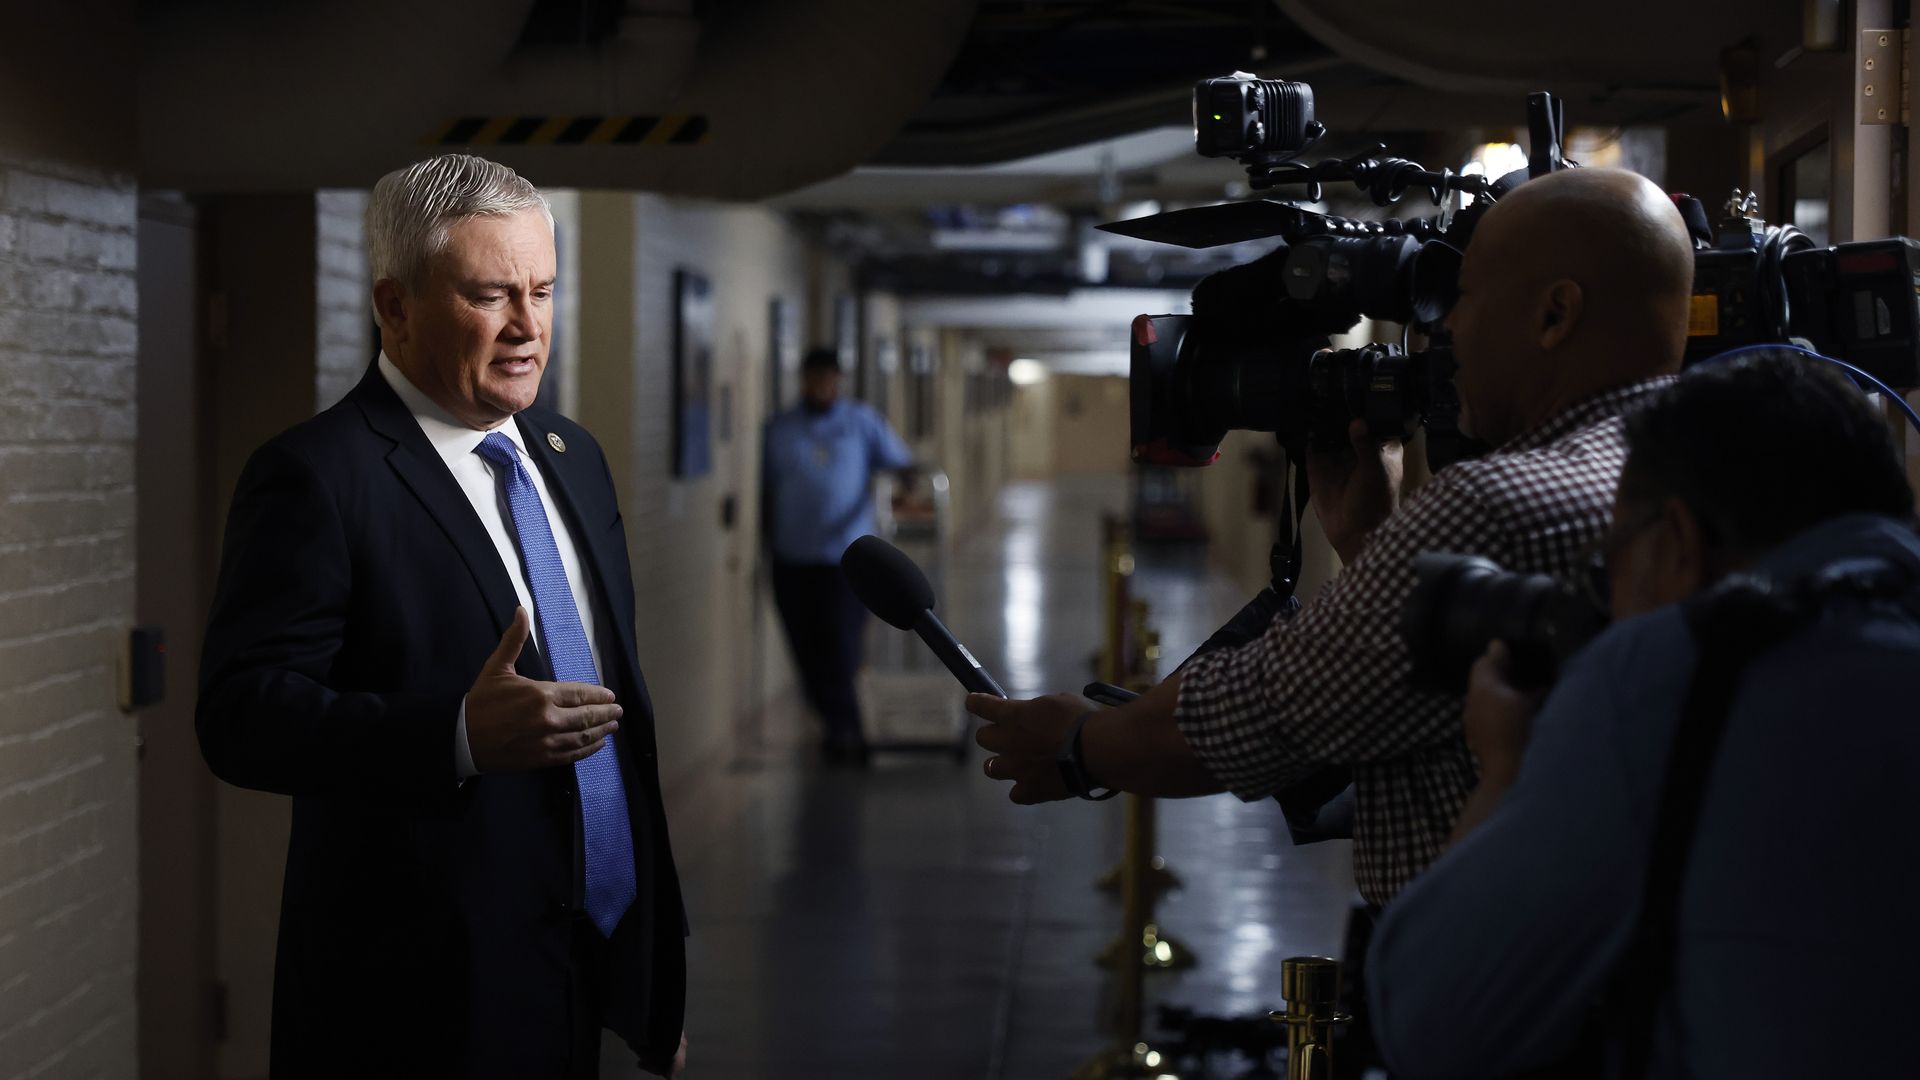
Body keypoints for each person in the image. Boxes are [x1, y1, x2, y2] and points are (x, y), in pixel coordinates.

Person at [969, 167, 1699, 905]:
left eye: (1466, 297)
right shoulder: (1695, 477)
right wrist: (1377, 546)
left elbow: (1272, 711)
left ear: (1554, 315)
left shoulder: (1503, 501)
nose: (1444, 331)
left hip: (1494, 970)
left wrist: (1081, 746)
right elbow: (1417, 681)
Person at [197, 154, 687, 1079]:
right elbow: (239, 717)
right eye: (490, 295)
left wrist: (649, 966)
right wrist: (456, 733)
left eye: (543, 290)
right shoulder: (318, 475)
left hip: (575, 960)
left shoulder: (568, 454)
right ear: (395, 306)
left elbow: (625, 730)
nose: (528, 327)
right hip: (413, 1000)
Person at [1367, 351, 1920, 1078]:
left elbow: (1427, 1024)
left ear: (1679, 544)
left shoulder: (1669, 677)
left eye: (1610, 565)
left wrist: (1505, 773)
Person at [761, 347, 914, 763]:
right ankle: (835, 722)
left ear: (838, 381)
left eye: (829, 379)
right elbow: (767, 493)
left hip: (846, 562)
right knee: (806, 650)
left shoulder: (861, 422)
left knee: (842, 647)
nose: (821, 386)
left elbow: (903, 465)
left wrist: (902, 499)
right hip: (792, 559)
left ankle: (848, 730)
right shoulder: (780, 429)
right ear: (803, 380)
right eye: (814, 378)